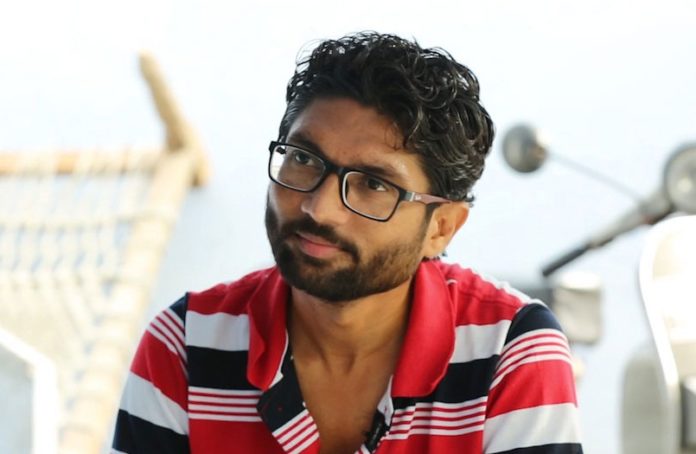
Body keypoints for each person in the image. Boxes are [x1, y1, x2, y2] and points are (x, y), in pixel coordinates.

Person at [112, 32, 582, 454]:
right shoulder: (187, 345)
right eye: (303, 159)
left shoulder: (509, 350)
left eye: (373, 184)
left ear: (441, 227)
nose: (319, 208)